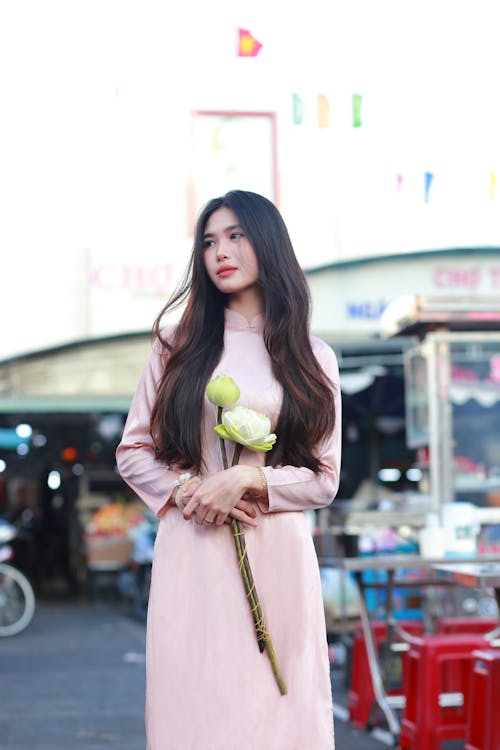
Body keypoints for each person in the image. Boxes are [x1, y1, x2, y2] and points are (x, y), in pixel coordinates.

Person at [116, 189, 341, 749]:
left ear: (267, 242)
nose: (221, 250)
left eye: (236, 235)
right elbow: (133, 451)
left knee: (281, 714)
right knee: (194, 710)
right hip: (193, 553)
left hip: (279, 558)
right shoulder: (176, 347)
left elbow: (324, 477)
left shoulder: (312, 358)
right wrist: (192, 489)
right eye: (210, 240)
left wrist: (247, 477)